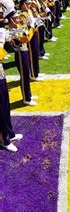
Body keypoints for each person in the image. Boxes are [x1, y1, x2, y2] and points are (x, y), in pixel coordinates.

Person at [0, 20, 23, 152]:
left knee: (5, 106)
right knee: (0, 109)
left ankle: (10, 133)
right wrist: (2, 43)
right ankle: (4, 139)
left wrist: (10, 42)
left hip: (1, 74)